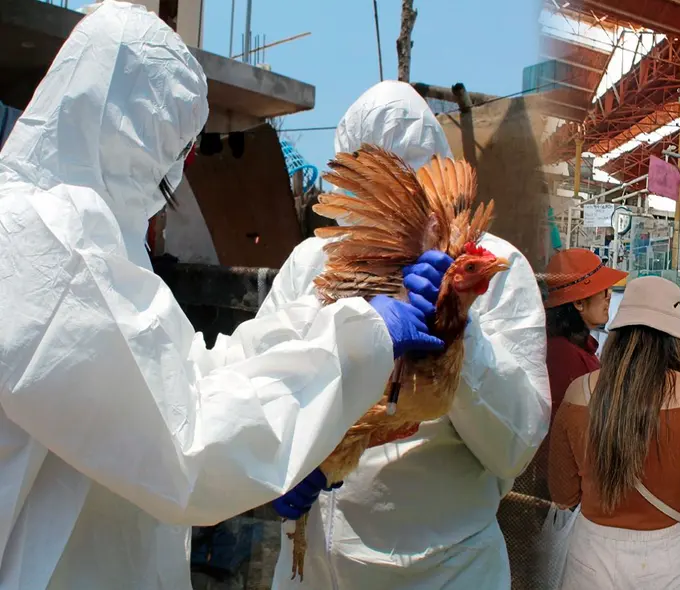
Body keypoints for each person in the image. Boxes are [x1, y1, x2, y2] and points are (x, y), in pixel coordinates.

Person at [0, 5, 444, 589]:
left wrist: (330, 323)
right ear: (132, 128)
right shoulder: (42, 239)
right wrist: (360, 339)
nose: (178, 174)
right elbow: (187, 441)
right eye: (175, 149)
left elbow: (187, 376)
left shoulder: (89, 238)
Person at [268, 80, 551, 590]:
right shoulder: (311, 264)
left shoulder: (494, 266)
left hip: (445, 572)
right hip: (314, 566)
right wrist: (276, 462)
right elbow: (266, 377)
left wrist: (455, 322)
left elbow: (516, 445)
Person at [548, 277, 680, 589]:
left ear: (618, 331)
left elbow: (563, 495)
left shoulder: (578, 392)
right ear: (672, 337)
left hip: (590, 560)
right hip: (668, 565)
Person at [543, 248, 628, 420]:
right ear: (579, 303)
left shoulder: (568, 346)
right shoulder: (566, 357)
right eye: (603, 290)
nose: (609, 296)